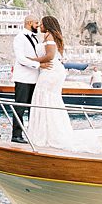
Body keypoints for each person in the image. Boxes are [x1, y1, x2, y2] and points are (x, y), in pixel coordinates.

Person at [28, 16, 77, 150]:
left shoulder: (49, 36)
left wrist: (33, 60)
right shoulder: (53, 36)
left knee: (43, 97)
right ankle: (49, 133)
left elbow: (50, 55)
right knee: (50, 99)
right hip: (53, 70)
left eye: (42, 24)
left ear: (47, 25)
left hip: (51, 70)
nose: (39, 26)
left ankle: (45, 136)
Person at [9, 15, 42, 144]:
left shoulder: (36, 38)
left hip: (35, 78)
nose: (38, 25)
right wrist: (39, 65)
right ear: (29, 23)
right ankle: (16, 135)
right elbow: (21, 59)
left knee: (33, 109)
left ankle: (32, 135)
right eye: (36, 23)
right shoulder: (19, 38)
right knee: (20, 107)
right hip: (23, 78)